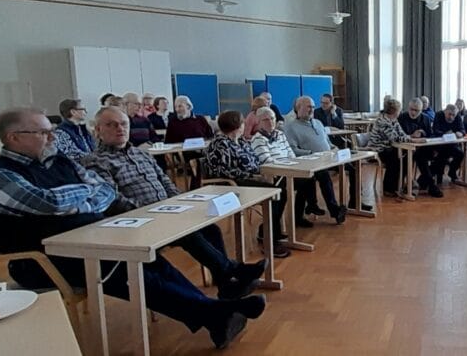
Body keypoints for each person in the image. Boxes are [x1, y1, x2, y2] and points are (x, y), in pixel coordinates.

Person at [0, 107, 264, 349]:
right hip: (42, 259)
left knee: (152, 263)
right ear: (13, 137)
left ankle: (214, 313)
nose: (52, 137)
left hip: (93, 240)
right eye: (42, 132)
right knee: (127, 271)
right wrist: (84, 195)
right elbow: (46, 202)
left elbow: (104, 191)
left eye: (50, 130)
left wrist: (75, 199)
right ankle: (215, 313)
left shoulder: (59, 162)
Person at [83, 107, 286, 287]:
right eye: (111, 125)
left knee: (210, 229)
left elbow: (165, 180)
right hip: (138, 221)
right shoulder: (95, 161)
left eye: (124, 124)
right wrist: (152, 212)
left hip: (166, 210)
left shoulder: (141, 154)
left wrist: (178, 202)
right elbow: (113, 200)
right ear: (98, 130)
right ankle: (232, 271)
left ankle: (226, 283)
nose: (120, 128)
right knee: (190, 234)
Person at [201, 111, 291, 256]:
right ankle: (270, 241)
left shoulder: (241, 141)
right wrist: (251, 175)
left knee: (280, 191)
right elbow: (224, 171)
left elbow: (255, 161)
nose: (245, 125)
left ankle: (267, 232)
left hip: (246, 180)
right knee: (273, 194)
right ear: (237, 126)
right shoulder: (220, 143)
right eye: (242, 123)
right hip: (230, 184)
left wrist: (256, 175)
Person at [284, 96, 359, 223]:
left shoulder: (318, 123)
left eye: (313, 107)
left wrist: (334, 148)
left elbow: (328, 142)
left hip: (328, 158)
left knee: (352, 169)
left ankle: (354, 202)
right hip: (309, 162)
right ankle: (334, 211)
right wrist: (312, 154)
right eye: (309, 107)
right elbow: (292, 149)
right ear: (298, 108)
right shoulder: (291, 127)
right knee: (323, 176)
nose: (312, 109)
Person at [251, 107, 317, 228]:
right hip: (273, 176)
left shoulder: (280, 134)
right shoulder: (258, 139)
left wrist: (291, 166)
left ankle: (302, 214)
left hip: (288, 171)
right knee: (283, 192)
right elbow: (267, 161)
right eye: (266, 120)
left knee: (309, 179)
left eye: (272, 118)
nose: (270, 122)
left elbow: (291, 155)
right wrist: (286, 166)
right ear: (259, 122)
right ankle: (269, 228)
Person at [368, 98, 414, 196]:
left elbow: (402, 134)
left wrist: (408, 138)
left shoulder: (394, 120)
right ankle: (388, 188)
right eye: (399, 110)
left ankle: (399, 185)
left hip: (388, 147)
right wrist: (411, 139)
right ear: (395, 111)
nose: (400, 112)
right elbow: (394, 138)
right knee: (395, 158)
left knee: (406, 157)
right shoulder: (382, 121)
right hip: (378, 150)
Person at [398, 97, 444, 197]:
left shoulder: (425, 118)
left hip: (423, 148)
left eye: (416, 110)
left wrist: (423, 132)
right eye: (411, 109)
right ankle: (431, 185)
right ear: (408, 107)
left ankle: (423, 181)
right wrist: (412, 136)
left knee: (442, 155)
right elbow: (399, 136)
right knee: (420, 156)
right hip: (405, 149)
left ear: (421, 110)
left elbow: (430, 135)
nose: (413, 112)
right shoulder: (402, 117)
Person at [431, 104, 466, 184]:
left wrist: (460, 133)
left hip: (452, 144)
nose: (451, 117)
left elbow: (463, 130)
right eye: (449, 114)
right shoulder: (439, 115)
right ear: (445, 111)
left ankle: (452, 171)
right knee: (443, 153)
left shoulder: (457, 116)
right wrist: (445, 133)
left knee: (460, 154)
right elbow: (435, 130)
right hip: (439, 143)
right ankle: (439, 174)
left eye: (453, 115)